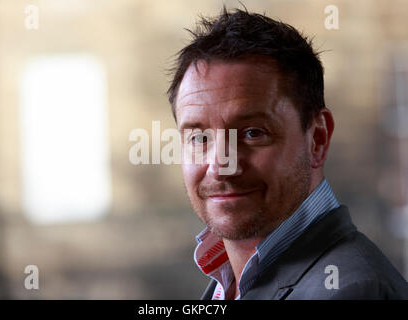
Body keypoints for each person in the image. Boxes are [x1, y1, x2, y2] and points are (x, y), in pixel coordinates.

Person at [166, 7, 408, 300]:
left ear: (317, 138)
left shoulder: (351, 291)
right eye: (200, 137)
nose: (220, 165)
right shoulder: (228, 279)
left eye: (252, 133)